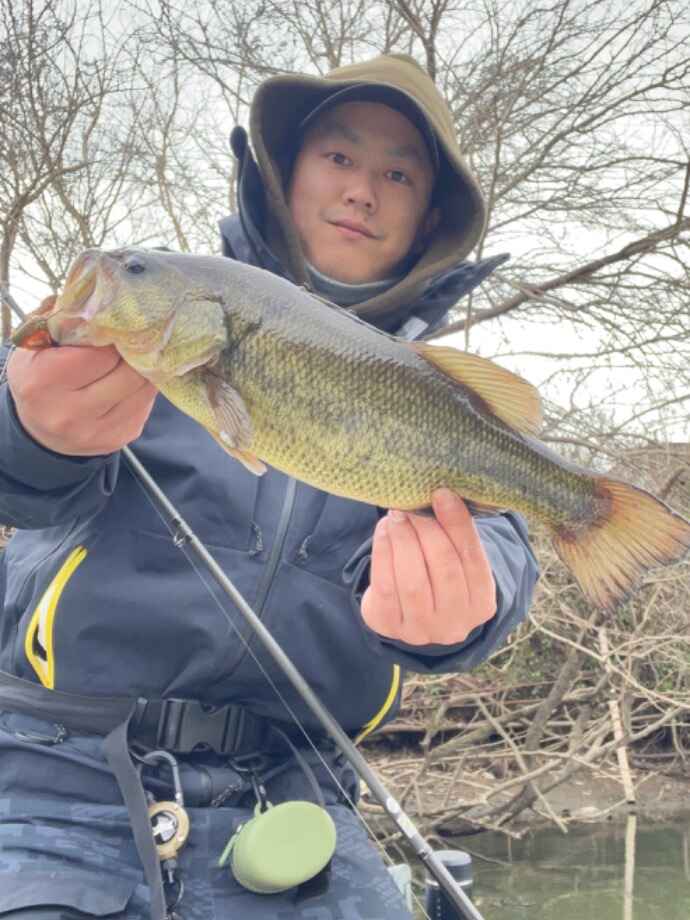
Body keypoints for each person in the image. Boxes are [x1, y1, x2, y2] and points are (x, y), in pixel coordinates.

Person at [0, 54, 538, 920]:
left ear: (430, 217)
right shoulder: (148, 323)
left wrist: (468, 609)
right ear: (284, 173)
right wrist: (29, 433)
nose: (361, 191)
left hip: (298, 798)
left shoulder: (437, 392)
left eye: (397, 174)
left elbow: (501, 537)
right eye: (339, 157)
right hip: (54, 772)